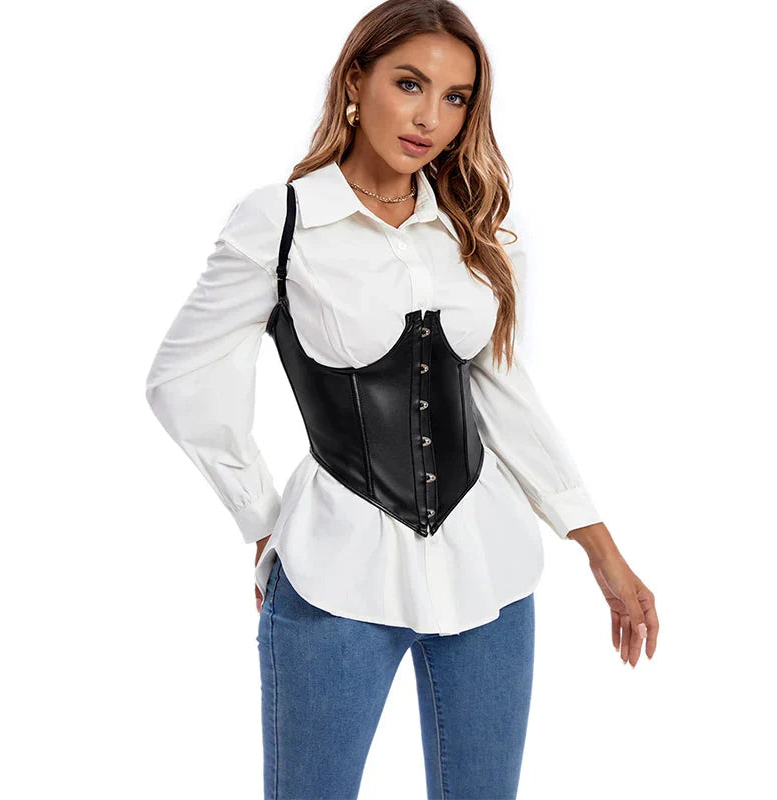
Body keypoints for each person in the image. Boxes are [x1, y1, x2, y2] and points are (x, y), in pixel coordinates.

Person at [144, 1, 659, 797]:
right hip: (334, 573)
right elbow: (181, 377)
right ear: (356, 80)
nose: (429, 119)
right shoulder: (282, 222)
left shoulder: (474, 233)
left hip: (488, 567)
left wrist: (602, 550)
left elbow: (505, 394)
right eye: (409, 84)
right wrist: (260, 516)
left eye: (455, 98)